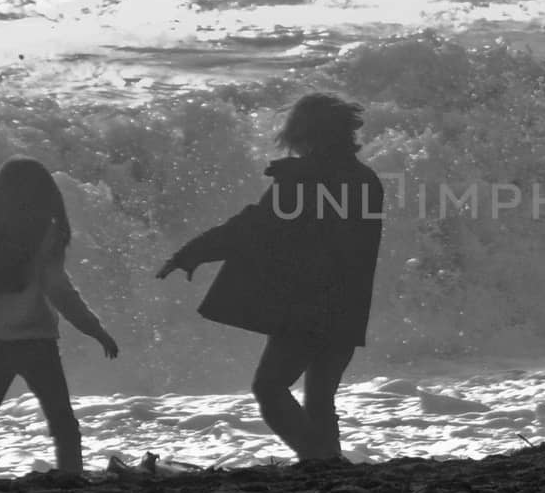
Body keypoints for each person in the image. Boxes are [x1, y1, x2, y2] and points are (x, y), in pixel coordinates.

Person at [157, 92, 385, 462]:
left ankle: (323, 460)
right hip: (349, 305)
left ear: (304, 132)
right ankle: (326, 464)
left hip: (307, 307)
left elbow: (252, 228)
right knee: (319, 395)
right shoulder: (366, 179)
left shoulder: (302, 180)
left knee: (269, 387)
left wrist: (193, 253)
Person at [0, 156, 120, 484]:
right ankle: (71, 481)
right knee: (63, 425)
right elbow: (60, 291)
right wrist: (95, 329)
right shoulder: (46, 233)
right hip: (37, 344)